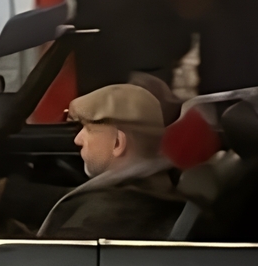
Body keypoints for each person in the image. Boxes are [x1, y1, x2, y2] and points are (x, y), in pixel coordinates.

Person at [36, 84, 186, 241]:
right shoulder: (152, 187)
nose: (77, 139)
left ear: (117, 143)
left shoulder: (106, 214)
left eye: (88, 129)